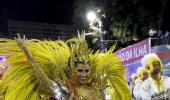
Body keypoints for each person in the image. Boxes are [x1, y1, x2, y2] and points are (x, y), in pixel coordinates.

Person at [0, 33, 131, 100]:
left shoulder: (98, 88)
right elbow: (45, 80)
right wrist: (27, 52)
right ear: (73, 71)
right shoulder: (66, 91)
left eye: (86, 70)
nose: (84, 74)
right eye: (80, 70)